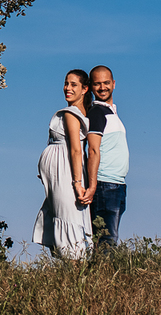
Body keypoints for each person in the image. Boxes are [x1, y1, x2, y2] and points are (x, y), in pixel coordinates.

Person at [32, 69, 93, 259]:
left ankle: (74, 269)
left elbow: (76, 149)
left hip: (66, 172)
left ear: (85, 89)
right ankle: (69, 270)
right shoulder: (77, 112)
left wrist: (77, 182)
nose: (67, 88)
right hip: (60, 171)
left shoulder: (70, 113)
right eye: (66, 84)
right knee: (62, 215)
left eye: (73, 85)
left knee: (68, 216)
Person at [86, 65, 128, 247]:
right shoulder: (96, 112)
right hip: (105, 185)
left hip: (117, 184)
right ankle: (102, 275)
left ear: (114, 84)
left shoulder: (111, 113)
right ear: (90, 86)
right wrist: (94, 185)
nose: (102, 87)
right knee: (106, 241)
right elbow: (93, 150)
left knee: (109, 239)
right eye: (97, 84)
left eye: (106, 83)